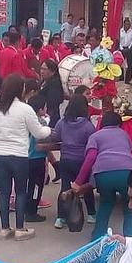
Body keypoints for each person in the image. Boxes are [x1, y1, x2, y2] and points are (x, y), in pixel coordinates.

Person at [0, 74, 51, 240]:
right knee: (21, 191)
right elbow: (38, 132)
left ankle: (4, 228)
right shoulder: (25, 109)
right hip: (19, 155)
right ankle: (20, 228)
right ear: (19, 89)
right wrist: (48, 126)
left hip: (0, 154)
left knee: (5, 192)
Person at [71, 111, 132, 239]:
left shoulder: (95, 136)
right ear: (119, 123)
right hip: (127, 173)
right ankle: (129, 237)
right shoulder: (124, 134)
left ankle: (98, 238)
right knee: (129, 204)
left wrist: (78, 182)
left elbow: (90, 158)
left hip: (103, 173)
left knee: (106, 203)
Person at [50, 94, 97, 229]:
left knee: (64, 188)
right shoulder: (88, 126)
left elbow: (56, 137)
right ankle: (91, 214)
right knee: (85, 188)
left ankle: (61, 218)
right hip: (82, 161)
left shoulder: (62, 122)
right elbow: (92, 142)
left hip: (65, 159)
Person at [24, 96, 51, 223]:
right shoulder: (41, 122)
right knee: (36, 186)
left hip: (26, 157)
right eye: (45, 107)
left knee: (28, 185)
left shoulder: (26, 120)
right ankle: (32, 211)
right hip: (37, 158)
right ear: (40, 109)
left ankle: (25, 208)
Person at [120, 18, 132, 82]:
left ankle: (128, 80)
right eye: (126, 24)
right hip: (122, 49)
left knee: (130, 65)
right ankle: (121, 78)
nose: (127, 25)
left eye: (128, 24)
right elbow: (119, 41)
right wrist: (121, 48)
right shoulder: (120, 31)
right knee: (120, 63)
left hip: (129, 49)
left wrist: (129, 48)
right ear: (123, 24)